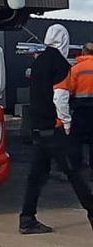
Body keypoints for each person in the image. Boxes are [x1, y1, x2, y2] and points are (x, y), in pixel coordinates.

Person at [19, 24, 93, 234]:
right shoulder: (59, 63)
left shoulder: (39, 62)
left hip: (39, 128)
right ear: (64, 40)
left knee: (37, 175)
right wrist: (66, 121)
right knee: (75, 173)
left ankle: (27, 218)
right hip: (56, 128)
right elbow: (59, 96)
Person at [67, 43, 93, 178]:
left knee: (75, 139)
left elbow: (69, 89)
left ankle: (77, 166)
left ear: (84, 51)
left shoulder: (76, 69)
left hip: (81, 110)